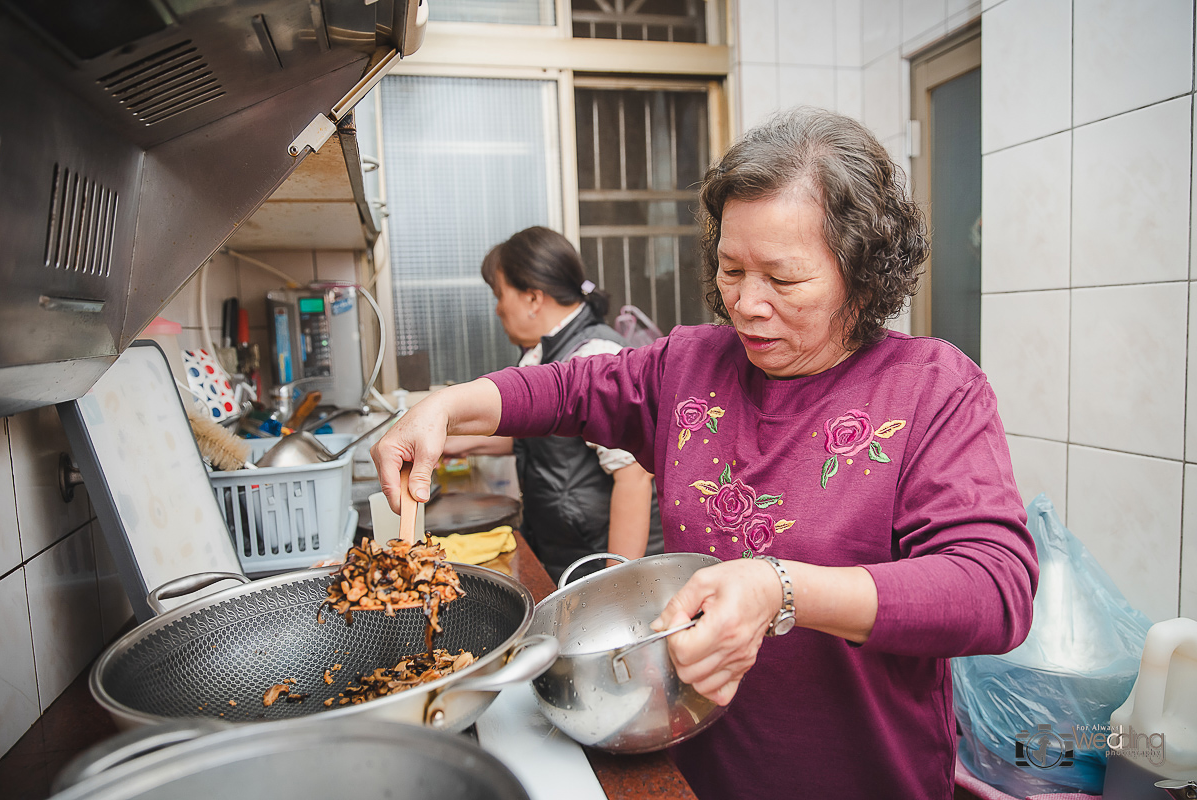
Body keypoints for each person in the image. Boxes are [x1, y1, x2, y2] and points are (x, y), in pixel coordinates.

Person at [372, 108, 1038, 799]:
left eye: (783, 280)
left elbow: (995, 589)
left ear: (862, 275)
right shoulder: (690, 364)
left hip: (863, 776)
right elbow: (565, 388)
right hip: (692, 771)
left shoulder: (931, 388)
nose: (747, 304)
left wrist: (780, 588)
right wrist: (447, 405)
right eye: (731, 270)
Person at [440, 226, 664, 581]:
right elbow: (550, 438)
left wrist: (616, 586)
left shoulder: (595, 354)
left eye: (499, 295)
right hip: (570, 552)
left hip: (600, 560)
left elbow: (633, 476)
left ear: (532, 299)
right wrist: (453, 441)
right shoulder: (545, 353)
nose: (498, 309)